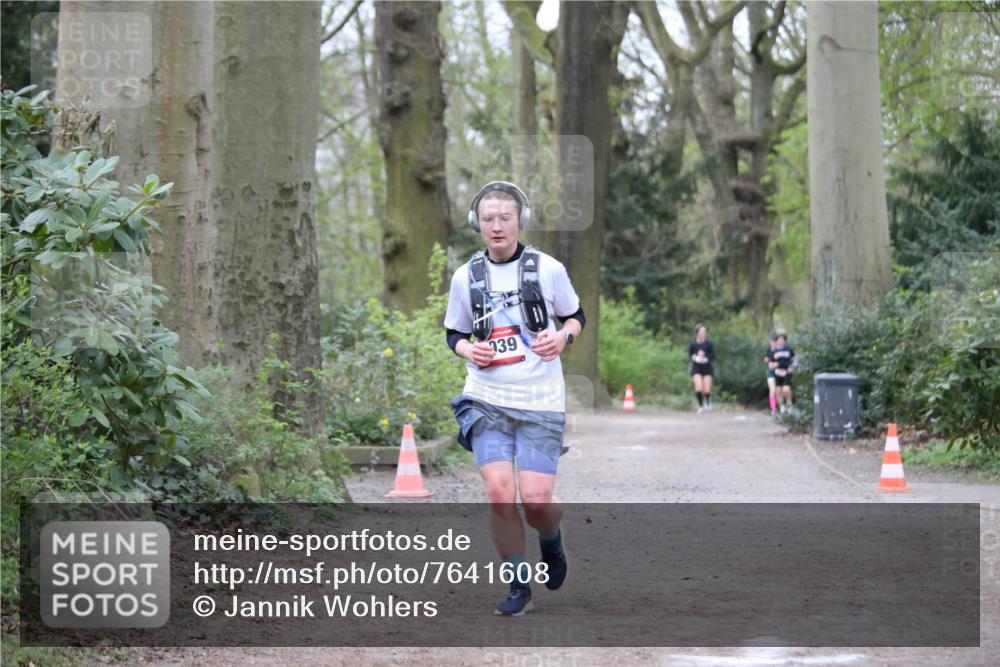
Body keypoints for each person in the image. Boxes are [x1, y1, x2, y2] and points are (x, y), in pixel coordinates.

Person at [445, 181, 585, 616]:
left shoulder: (548, 269)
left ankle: (552, 541)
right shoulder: (465, 276)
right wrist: (469, 349)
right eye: (488, 219)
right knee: (499, 493)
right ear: (477, 225)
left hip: (540, 398)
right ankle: (518, 585)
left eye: (505, 217)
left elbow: (575, 315)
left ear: (519, 220)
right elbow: (454, 332)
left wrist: (562, 337)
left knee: (538, 502)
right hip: (486, 397)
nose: (497, 226)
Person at [688, 324, 715, 414]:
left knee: (706, 389)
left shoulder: (709, 344)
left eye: (705, 331)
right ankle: (700, 406)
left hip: (707, 368)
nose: (704, 333)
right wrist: (695, 356)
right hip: (696, 367)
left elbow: (713, 356)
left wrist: (705, 355)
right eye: (702, 331)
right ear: (697, 333)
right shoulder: (693, 345)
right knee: (698, 387)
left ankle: (708, 400)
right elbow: (690, 355)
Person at [771, 333, 796, 412]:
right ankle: (782, 406)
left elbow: (795, 359)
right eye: (779, 339)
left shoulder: (789, 349)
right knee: (778, 390)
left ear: (785, 340)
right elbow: (770, 362)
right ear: (776, 341)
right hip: (777, 372)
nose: (780, 341)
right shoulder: (774, 350)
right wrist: (772, 364)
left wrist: (792, 367)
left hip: (787, 372)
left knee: (786, 389)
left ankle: (789, 403)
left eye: (782, 339)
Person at [764, 334, 779, 415]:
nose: (772, 343)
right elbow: (766, 359)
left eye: (774, 341)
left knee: (778, 390)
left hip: (779, 372)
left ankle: (781, 407)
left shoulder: (780, 350)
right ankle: (773, 408)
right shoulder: (769, 350)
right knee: (772, 389)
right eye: (771, 341)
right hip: (771, 372)